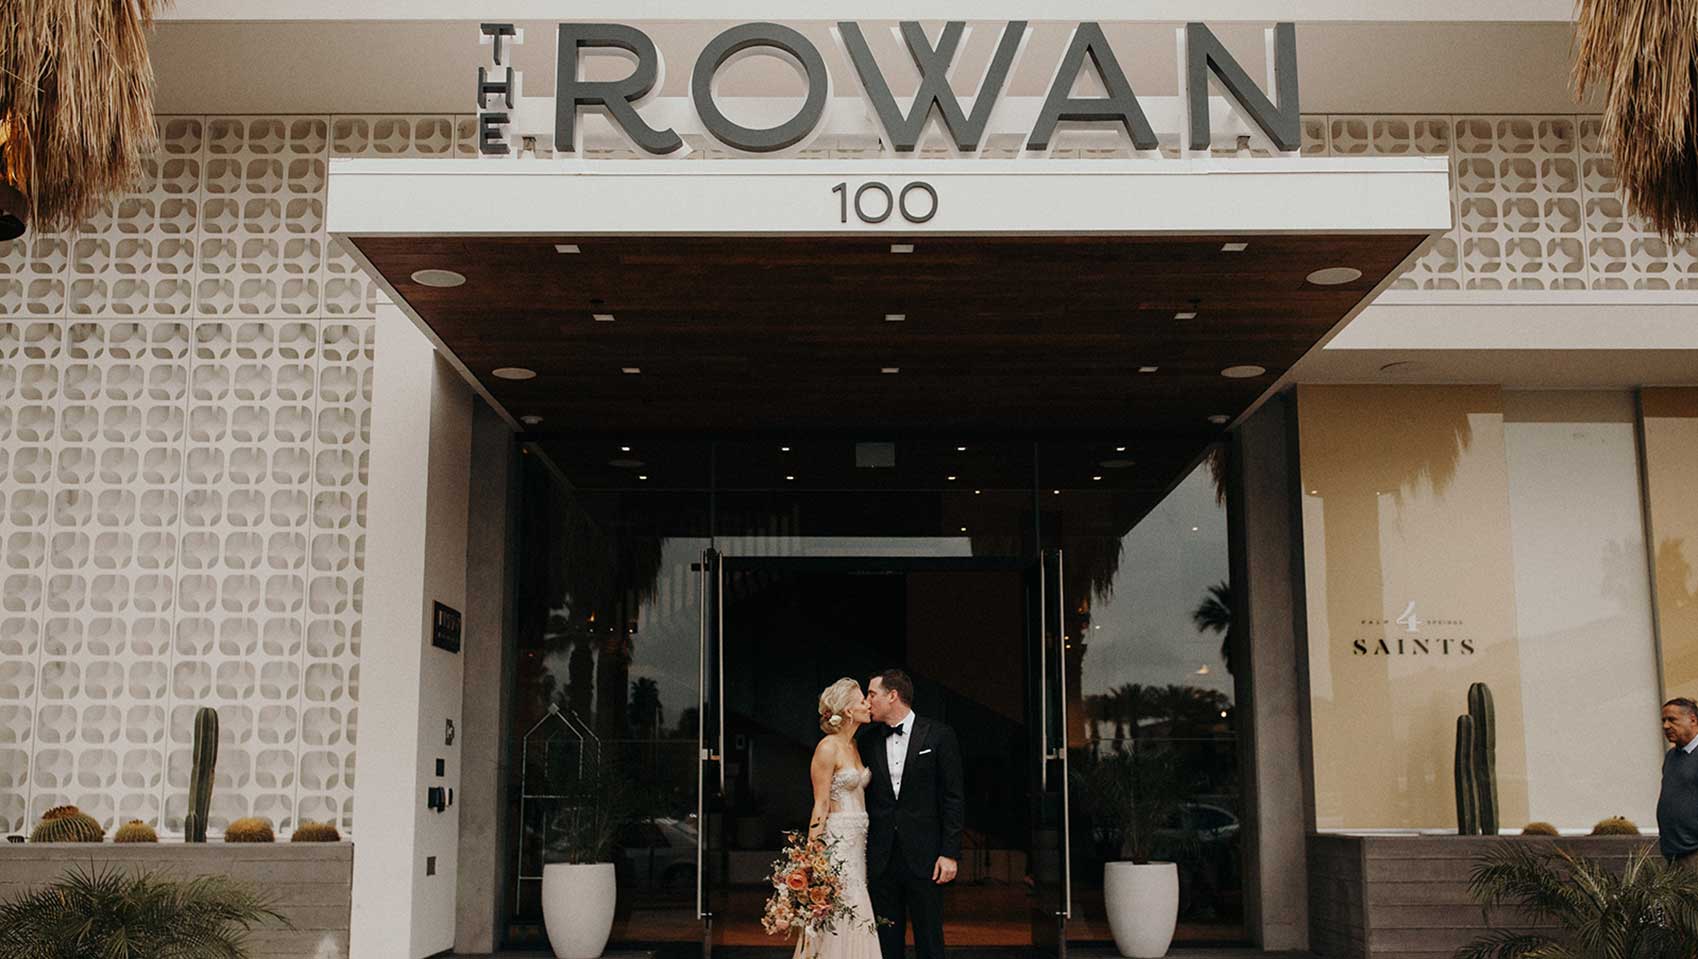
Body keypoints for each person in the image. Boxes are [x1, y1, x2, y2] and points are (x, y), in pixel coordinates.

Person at [861, 668, 965, 959]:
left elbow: (953, 798)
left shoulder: (939, 735)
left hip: (927, 857)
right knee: (886, 939)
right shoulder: (867, 741)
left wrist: (950, 853)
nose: (867, 701)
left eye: (872, 694)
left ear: (892, 695)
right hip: (882, 859)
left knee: (929, 939)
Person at [798, 678, 880, 958]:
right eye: (861, 701)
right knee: (841, 903)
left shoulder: (854, 745)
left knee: (857, 903)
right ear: (847, 711)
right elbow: (820, 804)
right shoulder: (828, 747)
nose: (868, 704)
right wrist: (812, 857)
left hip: (858, 843)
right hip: (837, 841)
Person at [1658, 697, 1698, 870]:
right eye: (1664, 721)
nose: (1665, 726)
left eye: (1672, 720)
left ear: (1693, 720)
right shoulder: (1671, 757)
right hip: (1672, 854)